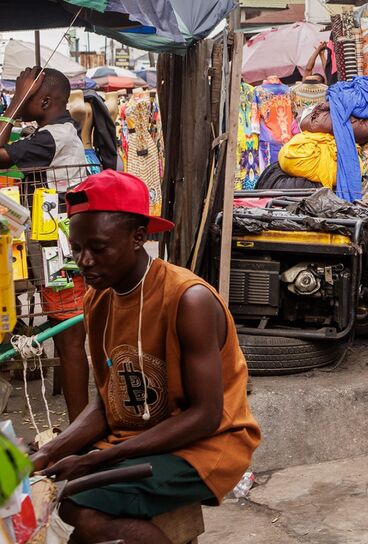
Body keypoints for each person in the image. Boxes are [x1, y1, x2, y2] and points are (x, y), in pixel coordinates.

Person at [31, 170, 261, 543]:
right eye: (76, 249)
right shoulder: (98, 298)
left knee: (74, 509)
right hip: (136, 436)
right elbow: (108, 402)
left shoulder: (189, 299)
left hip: (206, 445)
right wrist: (48, 453)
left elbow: (205, 417)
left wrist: (94, 459)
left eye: (99, 248)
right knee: (43, 496)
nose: (84, 261)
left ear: (139, 238)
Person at [0, 67, 90, 420]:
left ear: (45, 101)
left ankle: (79, 428)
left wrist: (13, 106)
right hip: (54, 243)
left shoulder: (55, 137)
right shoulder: (48, 133)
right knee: (68, 334)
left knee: (69, 339)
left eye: (24, 95)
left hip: (60, 250)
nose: (17, 99)